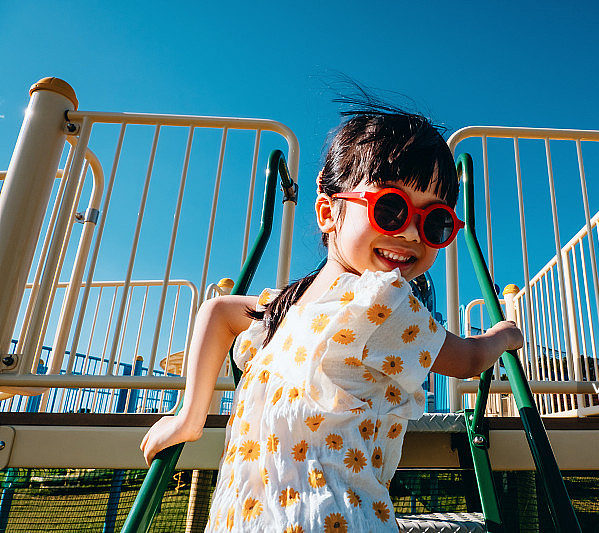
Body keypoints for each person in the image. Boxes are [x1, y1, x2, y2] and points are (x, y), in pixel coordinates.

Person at [140, 103, 523, 532]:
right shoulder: (290, 305)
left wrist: (190, 415)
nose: (412, 233)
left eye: (435, 222)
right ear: (328, 211)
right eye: (391, 209)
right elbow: (218, 311)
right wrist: (505, 334)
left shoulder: (385, 303)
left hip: (322, 517)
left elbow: (466, 358)